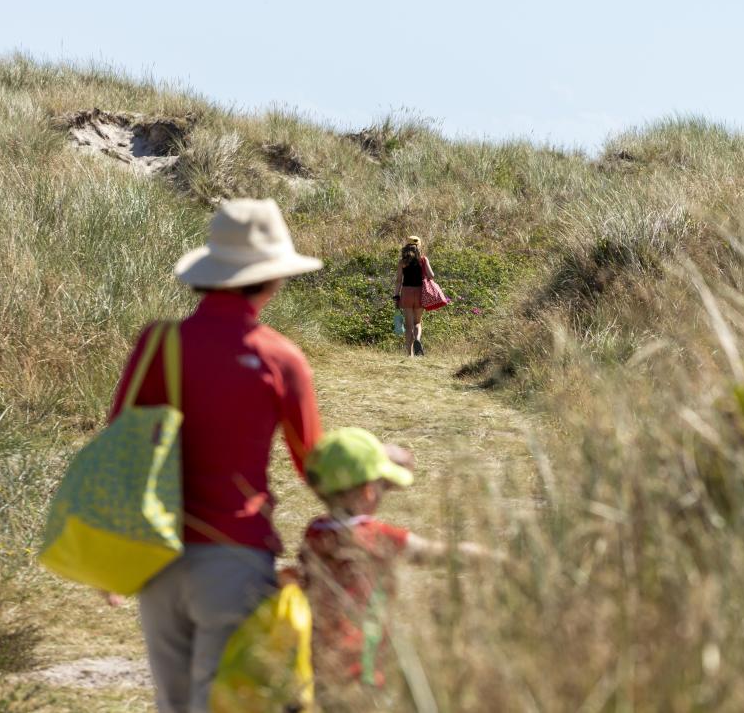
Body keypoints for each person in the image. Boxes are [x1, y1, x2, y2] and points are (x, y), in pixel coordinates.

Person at [107, 198, 324, 713]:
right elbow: (313, 464)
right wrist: (373, 465)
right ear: (272, 280)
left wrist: (113, 556)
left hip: (156, 554)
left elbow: (122, 444)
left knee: (174, 704)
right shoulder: (280, 357)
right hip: (236, 556)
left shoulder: (158, 343)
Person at [295, 427, 499, 693]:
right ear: (370, 491)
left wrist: (373, 477)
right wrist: (497, 558)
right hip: (360, 669)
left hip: (315, 663)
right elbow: (437, 553)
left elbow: (351, 492)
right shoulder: (377, 538)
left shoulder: (314, 532)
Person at [393, 235, 433, 357]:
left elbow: (399, 280)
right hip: (420, 292)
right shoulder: (423, 260)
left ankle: (409, 354)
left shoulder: (402, 262)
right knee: (417, 323)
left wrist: (396, 296)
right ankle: (417, 339)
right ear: (419, 246)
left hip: (406, 293)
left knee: (408, 325)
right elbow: (431, 275)